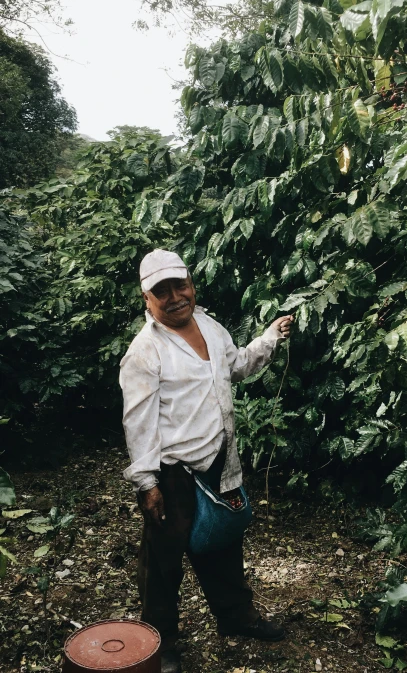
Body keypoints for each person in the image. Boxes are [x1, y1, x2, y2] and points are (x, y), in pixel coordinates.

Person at [119, 249, 293, 673]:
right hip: (173, 473)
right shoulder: (144, 352)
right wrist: (147, 484)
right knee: (163, 562)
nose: (176, 296)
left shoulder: (211, 328)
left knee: (224, 543)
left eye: (180, 285)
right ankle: (162, 644)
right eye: (162, 291)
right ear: (147, 298)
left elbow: (235, 366)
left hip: (220, 460)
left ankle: (237, 617)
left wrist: (269, 338)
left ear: (191, 285)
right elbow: (137, 422)